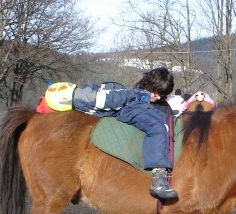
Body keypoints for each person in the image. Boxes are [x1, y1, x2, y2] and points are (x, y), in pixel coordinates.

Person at [46, 67, 177, 201]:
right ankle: (158, 178)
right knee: (158, 127)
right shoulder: (134, 96)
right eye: (157, 92)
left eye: (163, 95)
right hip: (133, 112)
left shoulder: (139, 95)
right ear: (149, 85)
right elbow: (105, 101)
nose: (159, 97)